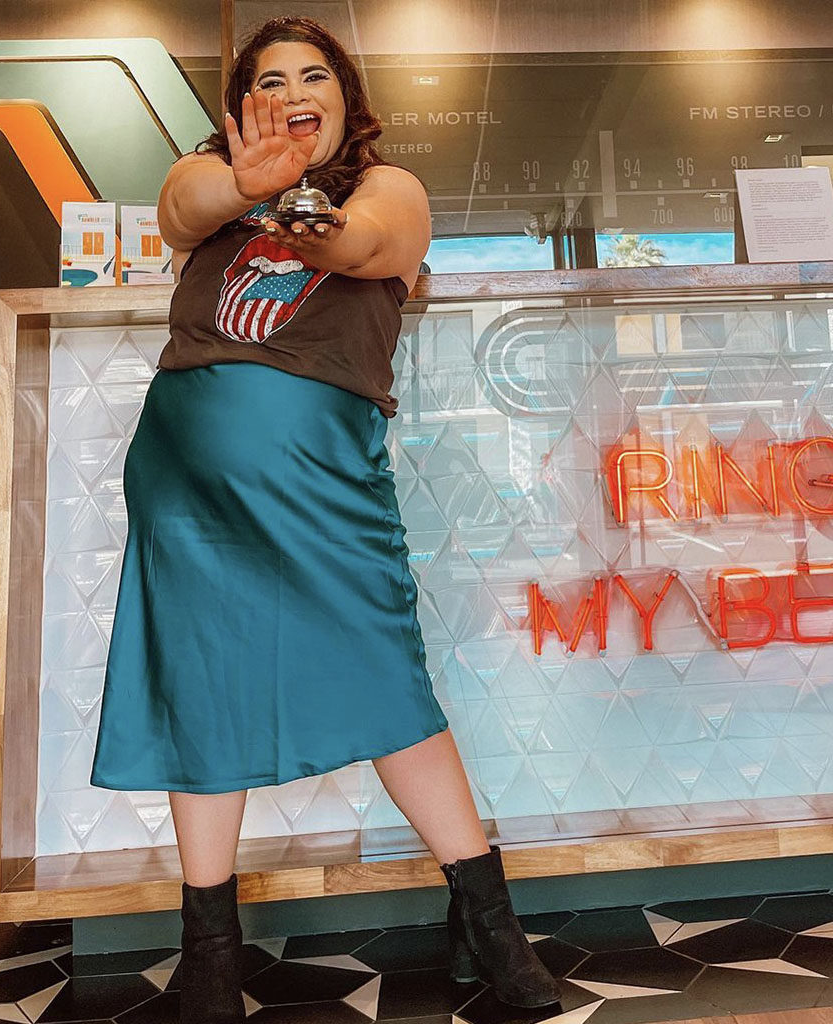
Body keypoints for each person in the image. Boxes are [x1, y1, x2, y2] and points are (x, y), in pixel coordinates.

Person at [88, 16, 559, 1024]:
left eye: (314, 73)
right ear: (244, 103)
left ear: (344, 97)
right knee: (202, 685)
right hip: (184, 470)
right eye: (270, 77)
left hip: (320, 474)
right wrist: (243, 181)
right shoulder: (215, 180)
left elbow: (369, 243)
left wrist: (303, 209)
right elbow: (182, 206)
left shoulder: (385, 188)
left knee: (384, 676)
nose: (293, 87)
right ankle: (211, 958)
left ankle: (488, 925)